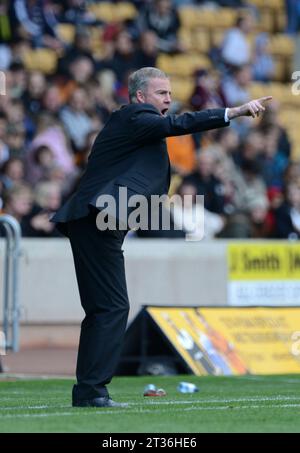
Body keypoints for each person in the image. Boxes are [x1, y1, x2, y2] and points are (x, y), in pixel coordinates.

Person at [51, 67, 272, 408]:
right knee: (111, 307)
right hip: (97, 221)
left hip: (98, 222)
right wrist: (234, 112)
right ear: (140, 97)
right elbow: (177, 125)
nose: (168, 98)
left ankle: (89, 391)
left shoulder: (136, 126)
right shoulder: (135, 116)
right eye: (161, 93)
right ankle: (92, 392)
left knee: (104, 308)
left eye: (170, 92)